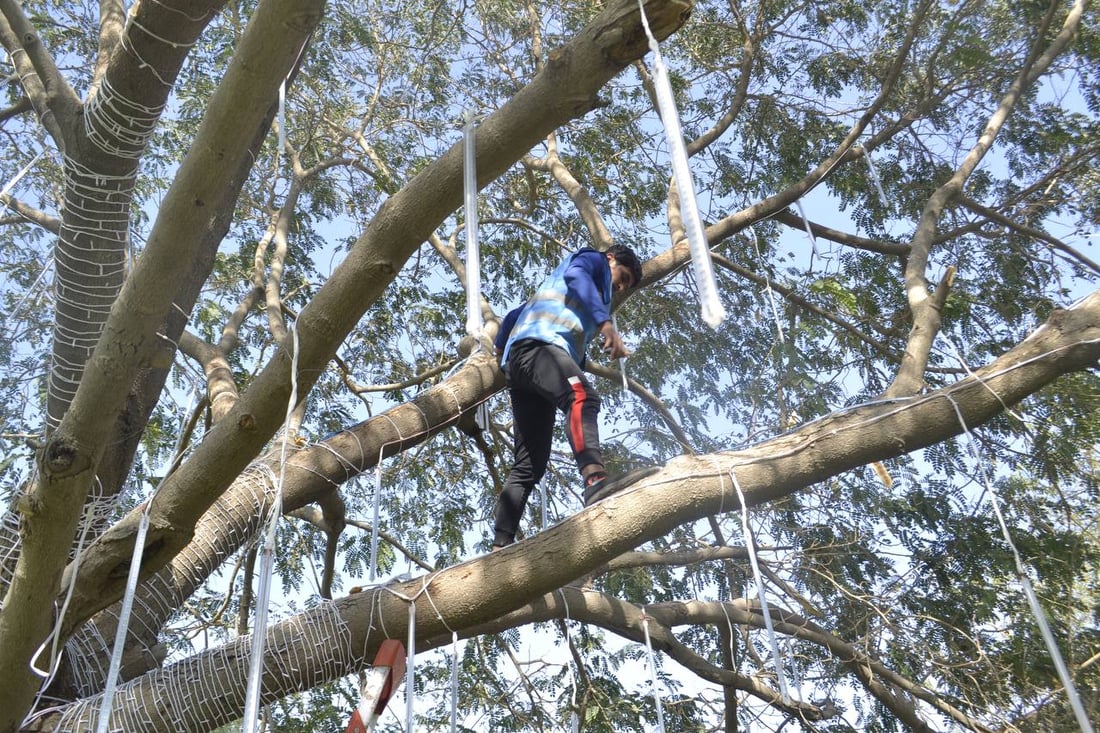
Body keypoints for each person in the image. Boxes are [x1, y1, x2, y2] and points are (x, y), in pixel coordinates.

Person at [491, 244, 645, 549]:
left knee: (530, 464)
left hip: (523, 368)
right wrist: (605, 324)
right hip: (537, 350)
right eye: (623, 277)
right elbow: (578, 276)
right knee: (581, 397)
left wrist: (501, 349)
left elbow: (514, 317)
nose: (621, 286)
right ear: (611, 259)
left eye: (627, 285)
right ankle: (595, 481)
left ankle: (500, 545)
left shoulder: (557, 294)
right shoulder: (592, 261)